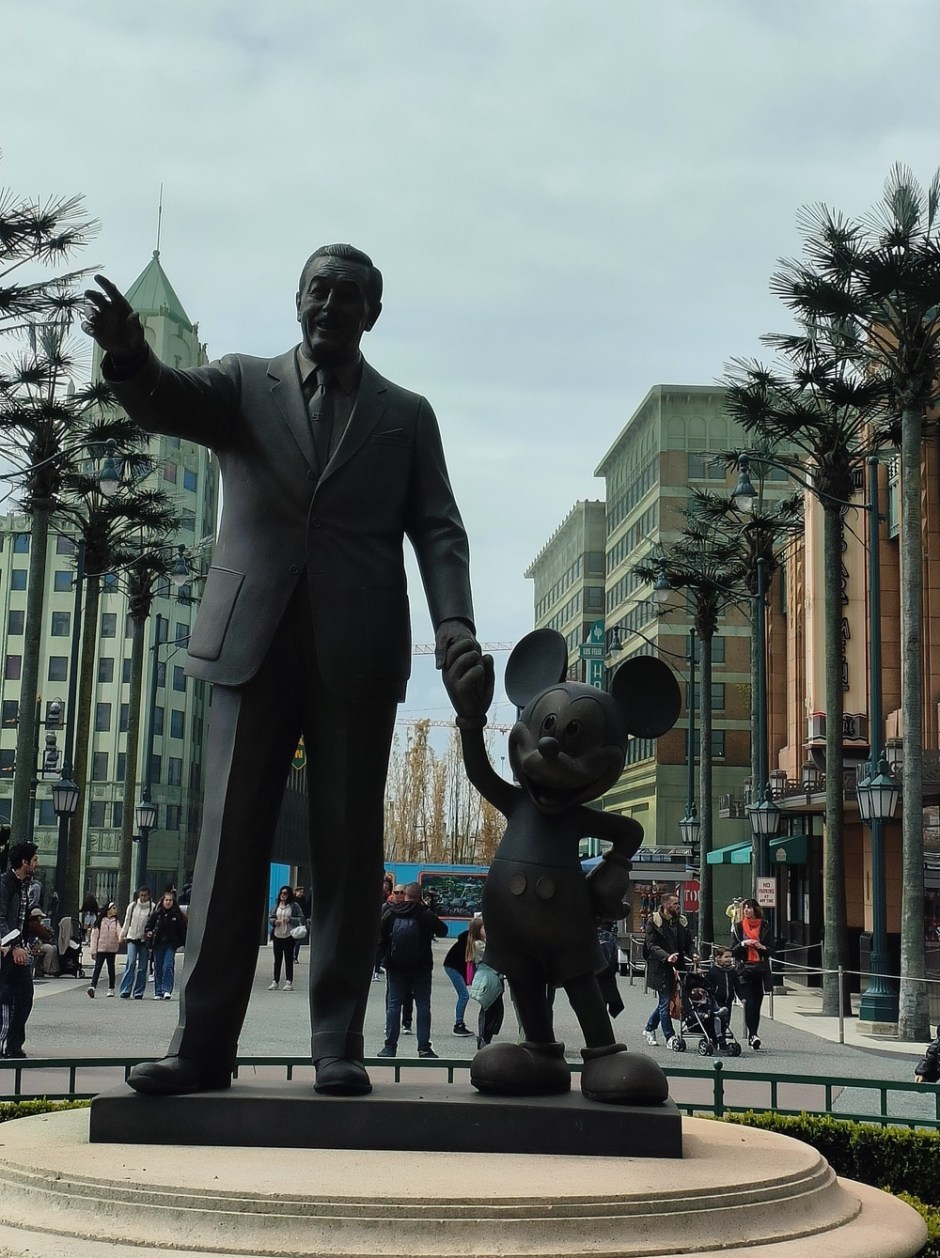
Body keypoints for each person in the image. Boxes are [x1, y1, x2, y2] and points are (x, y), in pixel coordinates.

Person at [83, 244, 479, 1097]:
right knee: (226, 850)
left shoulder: (408, 414)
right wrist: (130, 355)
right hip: (248, 646)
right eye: (318, 289)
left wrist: (455, 625)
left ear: (374, 313)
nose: (330, 304)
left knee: (348, 853)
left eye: (348, 295)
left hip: (357, 655)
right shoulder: (241, 384)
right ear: (298, 299)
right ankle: (200, 1048)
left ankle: (338, 1045)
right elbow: (164, 398)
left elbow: (440, 529)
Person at [376, 882, 447, 1059]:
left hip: (395, 967)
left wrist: (387, 957)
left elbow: (380, 937)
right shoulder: (425, 914)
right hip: (421, 967)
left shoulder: (391, 913)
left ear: (405, 895)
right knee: (423, 1006)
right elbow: (443, 931)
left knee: (394, 1006)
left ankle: (390, 1047)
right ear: (420, 897)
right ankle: (424, 1048)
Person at [0, 842, 39, 1059]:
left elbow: (22, 919)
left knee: (25, 995)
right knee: (5, 997)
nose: (36, 864)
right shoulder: (5, 883)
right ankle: (5, 1044)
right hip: (6, 950)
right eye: (34, 860)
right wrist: (14, 946)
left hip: (18, 948)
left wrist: (23, 945)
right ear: (24, 862)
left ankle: (14, 1044)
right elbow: (1, 918)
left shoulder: (25, 885)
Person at [642, 892, 696, 1049]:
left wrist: (693, 954)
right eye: (675, 904)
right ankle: (670, 1036)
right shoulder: (654, 921)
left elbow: (688, 943)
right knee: (665, 1002)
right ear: (666, 905)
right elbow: (651, 945)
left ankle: (649, 1027)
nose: (678, 906)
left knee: (667, 1001)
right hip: (660, 967)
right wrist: (666, 956)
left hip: (678, 967)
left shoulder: (681, 921)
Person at [730, 897, 774, 1050]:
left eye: (749, 907)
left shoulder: (765, 925)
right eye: (745, 908)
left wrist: (761, 947)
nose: (746, 910)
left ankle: (753, 1034)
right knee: (749, 1003)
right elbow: (732, 950)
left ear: (755, 909)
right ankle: (753, 1035)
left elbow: (771, 950)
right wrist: (743, 943)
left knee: (757, 1004)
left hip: (760, 970)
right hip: (744, 970)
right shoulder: (738, 927)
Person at [146, 891, 188, 1001]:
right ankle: (158, 991)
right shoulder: (157, 914)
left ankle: (166, 990)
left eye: (170, 900)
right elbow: (148, 926)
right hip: (158, 943)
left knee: (168, 965)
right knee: (158, 966)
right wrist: (149, 933)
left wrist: (182, 942)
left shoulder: (177, 915)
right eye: (166, 900)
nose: (168, 902)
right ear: (162, 901)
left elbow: (183, 930)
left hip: (170, 944)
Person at [118, 888, 153, 1000]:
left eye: (145, 895)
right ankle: (125, 989)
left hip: (144, 940)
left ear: (148, 896)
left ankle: (138, 991)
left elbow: (153, 923)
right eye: (141, 895)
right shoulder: (132, 906)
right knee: (131, 962)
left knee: (142, 967)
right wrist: (122, 935)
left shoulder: (152, 907)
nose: (143, 898)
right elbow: (127, 921)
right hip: (132, 938)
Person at [268, 886, 305, 990]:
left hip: (289, 935)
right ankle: (275, 981)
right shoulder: (276, 905)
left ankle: (289, 982)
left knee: (288, 959)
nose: (282, 895)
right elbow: (270, 917)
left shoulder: (294, 905)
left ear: (289, 895)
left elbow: (301, 918)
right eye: (281, 893)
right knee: (277, 959)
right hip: (277, 935)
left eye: (285, 893)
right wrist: (274, 922)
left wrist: (290, 920)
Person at [442, 924, 475, 1036]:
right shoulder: (471, 941)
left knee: (463, 995)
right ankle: (458, 1024)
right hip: (453, 967)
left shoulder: (468, 939)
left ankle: (459, 1024)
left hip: (453, 966)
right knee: (464, 995)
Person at [706, 945, 739, 1046]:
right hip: (716, 1000)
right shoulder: (713, 972)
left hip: (728, 1000)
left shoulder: (733, 972)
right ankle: (714, 1039)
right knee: (716, 1020)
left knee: (726, 1021)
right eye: (726, 957)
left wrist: (742, 997)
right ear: (718, 958)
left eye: (730, 957)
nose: (729, 959)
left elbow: (737, 986)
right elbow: (708, 986)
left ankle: (722, 1039)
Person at [87, 902, 121, 997]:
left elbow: (119, 931)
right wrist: (93, 951)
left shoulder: (116, 921)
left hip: (111, 949)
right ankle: (93, 986)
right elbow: (94, 937)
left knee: (111, 969)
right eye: (113, 908)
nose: (115, 910)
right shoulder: (100, 921)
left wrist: (121, 937)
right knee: (97, 967)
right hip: (101, 948)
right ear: (108, 910)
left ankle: (111, 988)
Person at [292, 886, 310, 964]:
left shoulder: (303, 900)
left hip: (300, 922)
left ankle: (295, 957)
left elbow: (306, 910)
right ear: (296, 891)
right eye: (300, 892)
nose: (301, 894)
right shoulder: (292, 900)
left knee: (298, 940)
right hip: (292, 921)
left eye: (302, 892)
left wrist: (307, 918)